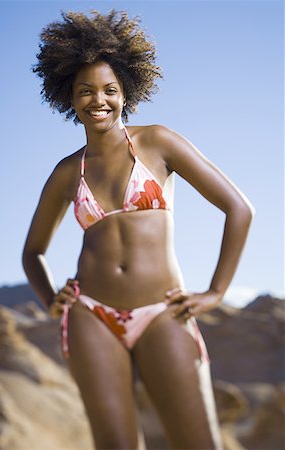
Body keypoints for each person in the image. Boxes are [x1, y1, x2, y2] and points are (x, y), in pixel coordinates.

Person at [22, 9, 255, 450]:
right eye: (84, 91)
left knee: (201, 442)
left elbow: (238, 209)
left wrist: (216, 292)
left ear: (126, 92)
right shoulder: (66, 172)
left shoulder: (158, 142)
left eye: (110, 90)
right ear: (68, 97)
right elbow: (32, 251)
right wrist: (53, 299)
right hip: (92, 314)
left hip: (163, 311)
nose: (98, 100)